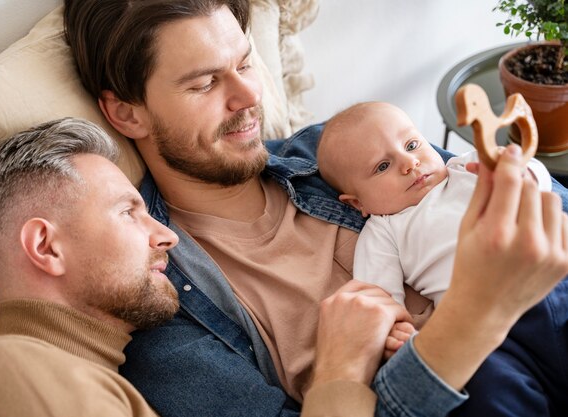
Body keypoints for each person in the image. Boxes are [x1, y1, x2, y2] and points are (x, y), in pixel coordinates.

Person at [63, 1, 568, 416]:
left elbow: (528, 197)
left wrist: (516, 178)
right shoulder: (161, 302)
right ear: (126, 113)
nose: (248, 96)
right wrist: (468, 321)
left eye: (243, 63)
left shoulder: (328, 150)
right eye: (204, 84)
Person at [0, 117, 395, 417]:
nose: (167, 236)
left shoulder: (116, 384)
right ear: (46, 246)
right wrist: (339, 371)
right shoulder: (8, 372)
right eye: (127, 212)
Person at [317, 101, 568, 416]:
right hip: (484, 335)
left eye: (412, 144)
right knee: (482, 388)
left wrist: (520, 170)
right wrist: (397, 336)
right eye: (382, 166)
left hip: (549, 282)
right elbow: (378, 303)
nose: (409, 163)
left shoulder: (467, 168)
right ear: (357, 203)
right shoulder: (383, 231)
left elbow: (540, 185)